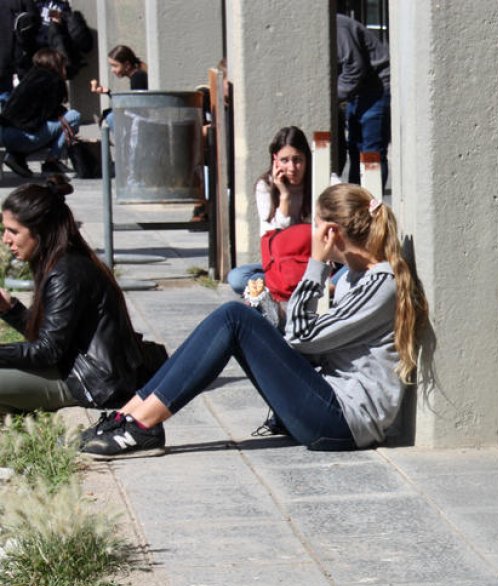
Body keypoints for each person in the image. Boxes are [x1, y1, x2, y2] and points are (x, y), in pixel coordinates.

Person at [79, 183, 428, 458]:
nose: (311, 232)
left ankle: (141, 425)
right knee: (236, 318)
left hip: (345, 422)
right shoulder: (353, 276)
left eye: (316, 225)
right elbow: (315, 343)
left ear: (331, 233)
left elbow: (303, 337)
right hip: (330, 405)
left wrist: (316, 265)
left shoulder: (381, 282)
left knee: (233, 318)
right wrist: (270, 316)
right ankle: (128, 416)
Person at [0, 177, 150, 414]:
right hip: (75, 369)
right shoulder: (61, 261)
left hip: (92, 381)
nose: (5, 239)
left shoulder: (66, 273)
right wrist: (10, 310)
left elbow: (48, 351)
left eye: (13, 231)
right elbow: (52, 337)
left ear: (41, 230)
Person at [227, 126, 313, 296]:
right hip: (282, 262)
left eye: (298, 160)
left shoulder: (321, 180)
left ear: (307, 159)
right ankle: (299, 284)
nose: (292, 167)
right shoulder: (265, 186)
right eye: (285, 160)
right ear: (275, 160)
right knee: (237, 278)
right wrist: (284, 195)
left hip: (314, 259)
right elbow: (279, 229)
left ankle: (291, 285)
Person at [0, 47, 79, 177]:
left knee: (57, 123)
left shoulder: (30, 77)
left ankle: (16, 156)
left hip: (6, 133)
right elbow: (50, 112)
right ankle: (52, 160)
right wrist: (61, 112)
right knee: (73, 116)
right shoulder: (53, 80)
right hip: (23, 136)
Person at [336, 14, 390, 186]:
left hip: (377, 88)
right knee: (355, 149)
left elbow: (354, 67)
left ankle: (371, 203)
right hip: (358, 91)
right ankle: (355, 200)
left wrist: (332, 97)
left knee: (371, 153)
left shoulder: (338, 27)